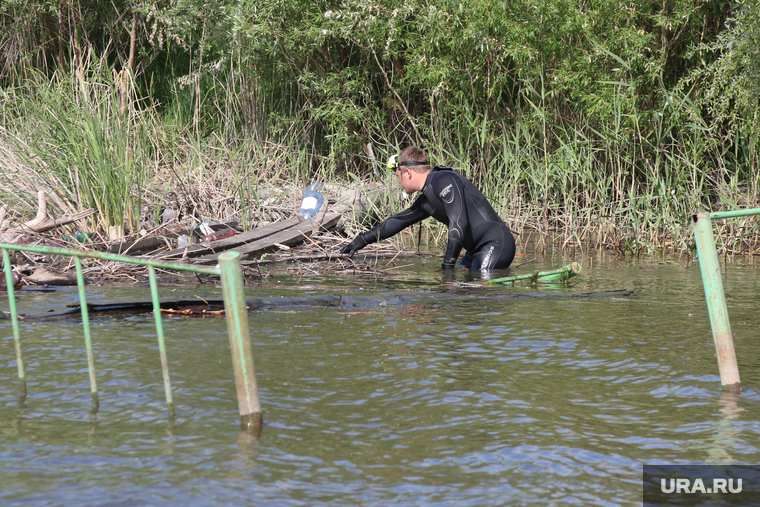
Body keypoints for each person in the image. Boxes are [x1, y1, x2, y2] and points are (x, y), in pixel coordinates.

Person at [340, 146, 516, 270]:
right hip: (474, 251)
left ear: (407, 172)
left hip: (496, 244)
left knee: (478, 295)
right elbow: (396, 222)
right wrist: (360, 241)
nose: (399, 182)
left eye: (398, 176)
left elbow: (458, 223)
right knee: (460, 294)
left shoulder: (445, 179)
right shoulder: (427, 199)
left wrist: (448, 264)